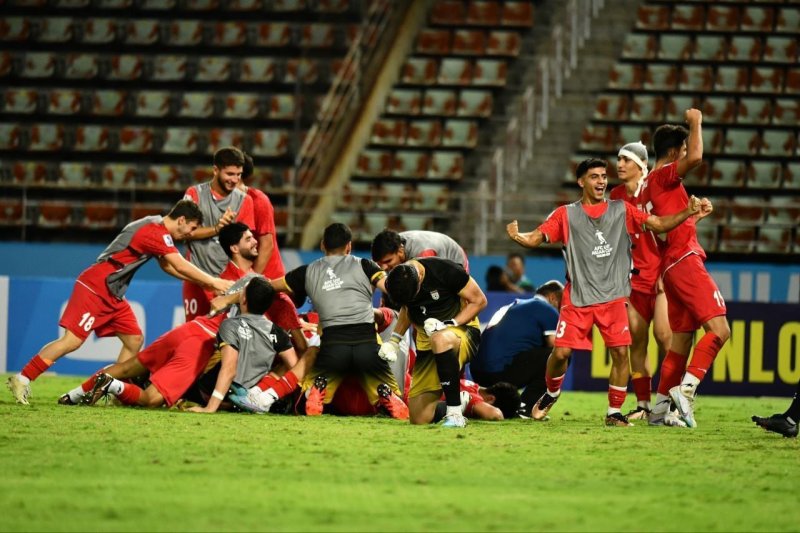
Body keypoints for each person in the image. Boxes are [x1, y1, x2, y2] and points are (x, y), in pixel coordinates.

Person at [506, 158, 701, 426]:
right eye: (594, 177)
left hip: (613, 298)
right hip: (578, 298)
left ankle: (613, 413)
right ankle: (551, 392)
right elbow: (537, 237)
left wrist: (686, 213)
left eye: (603, 177)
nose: (601, 182)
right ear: (581, 182)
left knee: (621, 354)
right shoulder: (565, 214)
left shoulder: (622, 210)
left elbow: (657, 224)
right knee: (561, 354)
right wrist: (519, 237)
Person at [7, 200, 233, 406]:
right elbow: (179, 264)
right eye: (192, 228)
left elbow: (168, 266)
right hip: (96, 286)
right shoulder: (155, 232)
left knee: (134, 339)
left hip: (113, 293)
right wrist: (213, 281)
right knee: (71, 341)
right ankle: (23, 378)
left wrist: (206, 284)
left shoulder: (156, 228)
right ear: (181, 220)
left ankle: (105, 390)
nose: (191, 233)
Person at [58, 223, 264, 408]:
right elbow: (267, 291)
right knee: (151, 399)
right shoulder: (252, 282)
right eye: (249, 239)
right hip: (201, 343)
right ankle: (114, 387)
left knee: (127, 368)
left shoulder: (223, 276)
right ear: (235, 249)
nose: (255, 241)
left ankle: (73, 395)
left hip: (186, 330)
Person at [611, 140, 714, 421]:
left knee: (666, 336)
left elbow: (670, 229)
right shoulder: (617, 196)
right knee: (636, 341)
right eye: (618, 159)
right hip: (633, 278)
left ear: (640, 164)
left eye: (626, 159)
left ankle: (671, 401)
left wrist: (696, 218)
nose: (619, 164)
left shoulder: (655, 187)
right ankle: (645, 405)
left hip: (661, 275)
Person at [269, 223, 408, 418]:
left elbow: (269, 287)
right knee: (382, 381)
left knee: (315, 384)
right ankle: (384, 392)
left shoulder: (308, 271)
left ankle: (318, 386)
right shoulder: (367, 265)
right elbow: (391, 287)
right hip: (366, 340)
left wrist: (231, 295)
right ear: (349, 246)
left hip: (333, 343)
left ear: (323, 245)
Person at [646, 109, 731, 428]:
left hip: (671, 266)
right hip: (684, 261)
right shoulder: (663, 175)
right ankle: (687, 390)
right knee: (720, 331)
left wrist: (694, 216)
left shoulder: (649, 188)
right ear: (671, 153)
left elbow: (666, 227)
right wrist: (695, 122)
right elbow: (696, 157)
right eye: (680, 150)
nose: (685, 156)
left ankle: (659, 411)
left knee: (681, 343)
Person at [381, 257, 488, 428]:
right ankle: (461, 399)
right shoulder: (402, 279)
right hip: (426, 343)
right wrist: (394, 340)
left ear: (420, 281)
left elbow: (479, 300)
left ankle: (455, 414)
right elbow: (406, 310)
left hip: (461, 331)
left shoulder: (446, 271)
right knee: (418, 418)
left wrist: (451, 323)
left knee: (439, 338)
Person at [238, 153, 305, 351]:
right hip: (246, 279)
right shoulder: (224, 204)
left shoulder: (258, 200)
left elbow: (266, 245)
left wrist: (252, 281)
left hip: (268, 279)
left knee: (279, 341)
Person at [182, 146, 255, 321]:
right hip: (196, 278)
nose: (235, 180)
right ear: (215, 170)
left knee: (225, 335)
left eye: (238, 174)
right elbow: (183, 232)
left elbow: (245, 245)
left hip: (228, 281)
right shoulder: (195, 194)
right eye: (230, 174)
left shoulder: (244, 200)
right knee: (193, 333)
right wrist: (216, 229)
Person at [470, 281, 563, 417]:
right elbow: (555, 347)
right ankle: (526, 407)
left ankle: (508, 407)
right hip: (501, 372)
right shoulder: (547, 309)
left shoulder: (515, 305)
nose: (562, 308)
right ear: (553, 297)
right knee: (560, 354)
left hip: (478, 373)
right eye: (562, 302)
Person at [371, 229, 469, 272]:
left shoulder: (424, 254)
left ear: (400, 251)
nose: (383, 267)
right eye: (380, 263)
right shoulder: (389, 250)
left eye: (388, 261)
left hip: (455, 258)